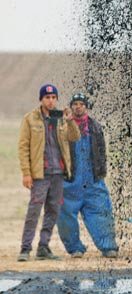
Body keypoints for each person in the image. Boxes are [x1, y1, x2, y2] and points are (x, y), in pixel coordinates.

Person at [17, 84, 81, 261]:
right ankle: (25, 248)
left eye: (53, 98)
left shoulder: (61, 118)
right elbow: (23, 148)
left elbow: (75, 137)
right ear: (41, 99)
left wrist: (69, 120)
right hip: (40, 174)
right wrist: (26, 173)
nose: (51, 101)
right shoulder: (30, 119)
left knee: (53, 211)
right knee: (34, 211)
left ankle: (43, 247)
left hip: (58, 173)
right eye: (47, 97)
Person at [56, 93, 119, 259]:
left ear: (86, 107)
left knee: (101, 211)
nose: (78, 106)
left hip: (93, 179)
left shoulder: (96, 127)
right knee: (65, 215)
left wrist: (100, 172)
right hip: (69, 180)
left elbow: (101, 152)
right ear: (70, 107)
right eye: (75, 104)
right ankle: (75, 248)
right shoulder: (62, 127)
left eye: (81, 104)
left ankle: (108, 247)